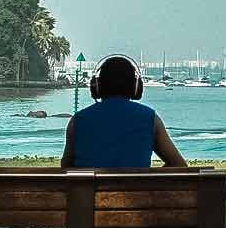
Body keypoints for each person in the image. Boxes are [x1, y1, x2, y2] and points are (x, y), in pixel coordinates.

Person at [61, 54, 189, 168]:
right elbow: (178, 165)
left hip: (87, 195)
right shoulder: (150, 118)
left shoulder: (77, 121)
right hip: (137, 194)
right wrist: (149, 180)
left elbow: (66, 167)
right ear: (136, 87)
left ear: (97, 86)